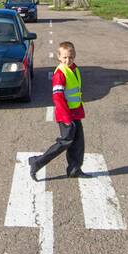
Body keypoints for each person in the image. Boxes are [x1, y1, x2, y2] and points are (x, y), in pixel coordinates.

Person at [29, 41, 85, 180]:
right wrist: (66, 119)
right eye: (65, 57)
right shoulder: (60, 74)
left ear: (75, 55)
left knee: (78, 142)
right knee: (65, 142)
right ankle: (36, 162)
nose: (68, 60)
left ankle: (74, 169)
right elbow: (58, 98)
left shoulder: (75, 69)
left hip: (75, 112)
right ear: (59, 57)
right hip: (65, 115)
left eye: (71, 57)